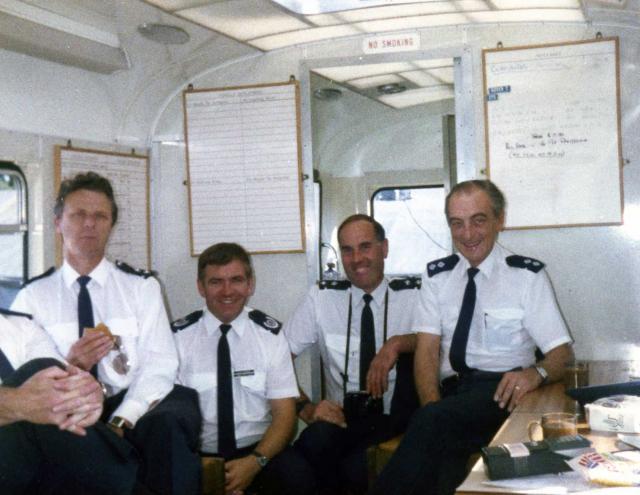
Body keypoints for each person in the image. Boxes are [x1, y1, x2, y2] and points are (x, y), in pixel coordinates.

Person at [370, 179, 573, 495]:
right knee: (444, 470)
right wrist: (433, 408)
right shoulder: (437, 277)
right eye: (457, 224)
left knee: (434, 428)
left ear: (499, 220)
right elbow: (426, 353)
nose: (467, 234)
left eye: (478, 221)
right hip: (451, 402)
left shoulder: (526, 276)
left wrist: (536, 373)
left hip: (503, 397)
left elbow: (562, 354)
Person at [11, 171, 201, 495]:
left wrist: (122, 420)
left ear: (111, 225)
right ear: (58, 223)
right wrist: (73, 365)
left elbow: (160, 364)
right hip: (69, 408)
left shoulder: (141, 288)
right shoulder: (31, 297)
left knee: (174, 415)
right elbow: (23, 379)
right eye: (79, 215)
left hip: (131, 405)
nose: (90, 224)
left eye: (100, 216)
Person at [284, 214, 420, 494]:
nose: (356, 258)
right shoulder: (321, 298)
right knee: (307, 450)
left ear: (384, 248)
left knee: (355, 470)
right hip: (341, 419)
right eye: (347, 250)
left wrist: (396, 344)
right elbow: (276, 362)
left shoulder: (415, 296)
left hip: (395, 420)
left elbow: (438, 344)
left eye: (365, 247)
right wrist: (306, 409)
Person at [172, 242, 316, 495]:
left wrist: (255, 462)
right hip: (197, 456)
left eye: (236, 280)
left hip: (259, 451)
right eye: (216, 281)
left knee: (299, 476)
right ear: (200, 287)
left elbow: (284, 416)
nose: (227, 291)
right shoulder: (177, 338)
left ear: (250, 284)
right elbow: (169, 420)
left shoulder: (270, 336)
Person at [0, 308, 138, 494]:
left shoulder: (21, 328)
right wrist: (19, 403)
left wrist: (85, 390)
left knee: (46, 372)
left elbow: (58, 378)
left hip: (33, 465)